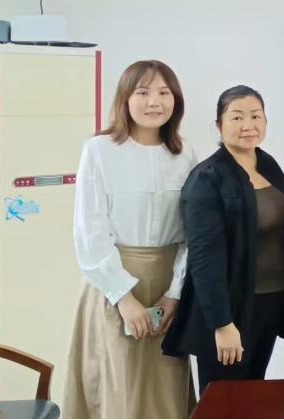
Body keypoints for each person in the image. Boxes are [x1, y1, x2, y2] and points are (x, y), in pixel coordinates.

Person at [64, 60, 196, 418]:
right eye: (143, 92)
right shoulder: (100, 150)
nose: (155, 102)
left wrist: (174, 294)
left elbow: (191, 234)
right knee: (116, 385)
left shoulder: (184, 154)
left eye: (164, 92)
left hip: (168, 284)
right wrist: (123, 298)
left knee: (165, 386)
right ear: (125, 98)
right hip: (113, 283)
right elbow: (90, 231)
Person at [162, 86, 284, 394]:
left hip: (270, 304)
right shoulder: (207, 177)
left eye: (256, 116)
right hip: (230, 311)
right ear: (219, 125)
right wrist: (222, 325)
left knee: (253, 396)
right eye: (237, 117)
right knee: (223, 402)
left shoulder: (267, 164)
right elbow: (204, 259)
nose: (248, 125)